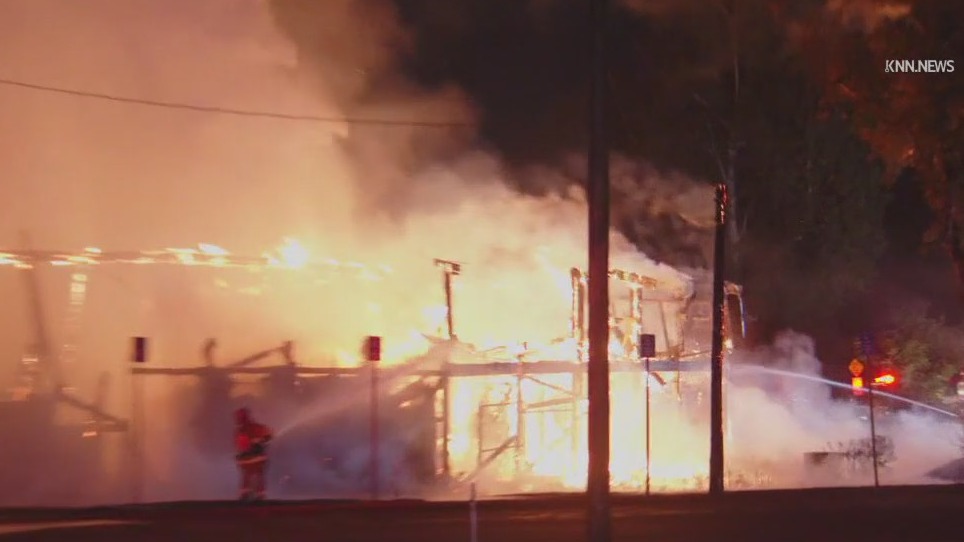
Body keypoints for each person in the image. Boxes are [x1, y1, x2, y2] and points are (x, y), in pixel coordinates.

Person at [234, 407, 272, 501]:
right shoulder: (255, 428)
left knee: (249, 475)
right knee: (257, 474)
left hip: (251, 458)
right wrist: (261, 441)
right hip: (256, 458)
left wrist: (258, 441)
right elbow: (268, 436)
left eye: (240, 418)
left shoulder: (243, 430)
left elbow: (242, 446)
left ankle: (248, 493)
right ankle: (259, 494)